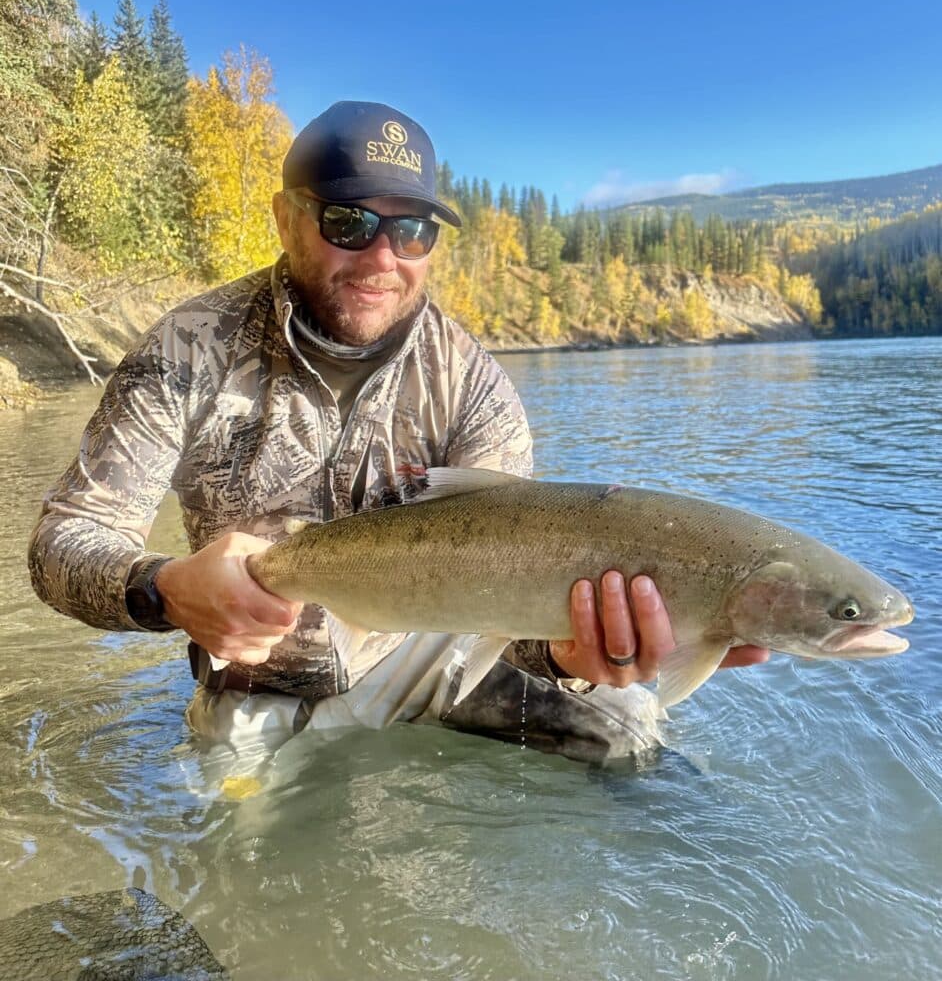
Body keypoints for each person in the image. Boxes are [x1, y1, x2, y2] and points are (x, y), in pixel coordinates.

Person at [29, 100, 766, 767]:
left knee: (627, 729)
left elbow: (513, 612)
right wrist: (163, 588)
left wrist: (572, 654)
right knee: (236, 880)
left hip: (430, 658)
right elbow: (66, 541)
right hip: (263, 685)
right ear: (286, 219)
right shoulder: (188, 349)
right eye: (349, 222)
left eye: (413, 230)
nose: (383, 258)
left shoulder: (470, 380)